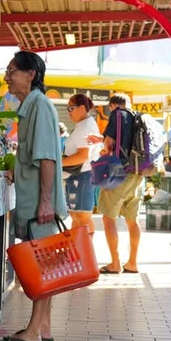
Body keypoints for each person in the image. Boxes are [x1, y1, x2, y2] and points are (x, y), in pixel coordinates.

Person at [0, 51, 67, 341]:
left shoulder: (39, 105)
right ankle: (44, 326)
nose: (7, 77)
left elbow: (47, 158)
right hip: (35, 200)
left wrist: (46, 202)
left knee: (43, 268)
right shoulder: (30, 106)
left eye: (12, 71)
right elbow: (32, 156)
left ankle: (35, 331)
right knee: (45, 265)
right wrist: (16, 168)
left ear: (31, 74)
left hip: (41, 204)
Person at [96, 93, 143, 275]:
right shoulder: (137, 117)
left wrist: (103, 150)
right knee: (133, 220)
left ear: (114, 105)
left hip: (118, 173)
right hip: (138, 173)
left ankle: (115, 263)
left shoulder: (117, 115)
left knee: (109, 218)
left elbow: (109, 145)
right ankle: (132, 262)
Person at [61, 94, 100, 236]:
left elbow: (83, 156)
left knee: (82, 218)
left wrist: (58, 163)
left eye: (71, 108)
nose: (69, 112)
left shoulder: (86, 127)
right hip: (79, 176)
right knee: (77, 216)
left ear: (82, 108)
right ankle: (76, 252)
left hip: (83, 176)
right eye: (67, 109)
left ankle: (85, 254)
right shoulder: (84, 125)